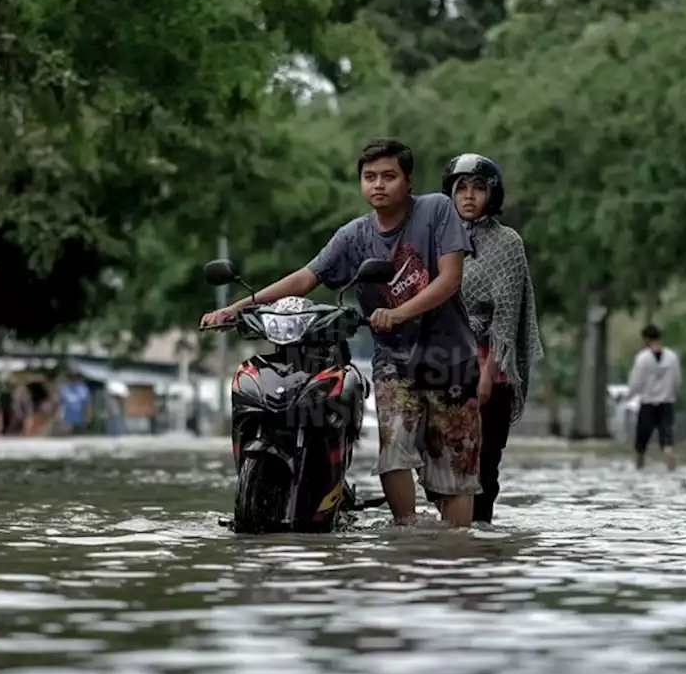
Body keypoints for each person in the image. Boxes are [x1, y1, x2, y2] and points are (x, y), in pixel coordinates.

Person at [199, 139, 481, 527]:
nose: (378, 185)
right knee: (393, 456)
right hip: (394, 364)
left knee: (454, 471)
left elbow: (450, 279)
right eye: (369, 177)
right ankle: (407, 541)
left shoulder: (436, 211)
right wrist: (238, 307)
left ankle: (456, 552)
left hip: (450, 360)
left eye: (388, 176)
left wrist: (398, 313)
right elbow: (305, 277)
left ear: (409, 180)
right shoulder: (353, 235)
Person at [440, 153, 544, 524]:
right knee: (443, 462)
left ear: (492, 194)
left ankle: (480, 543)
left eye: (478, 188)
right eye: (461, 188)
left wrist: (487, 372)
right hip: (443, 362)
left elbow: (506, 314)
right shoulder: (440, 239)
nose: (468, 196)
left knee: (484, 467)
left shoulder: (508, 243)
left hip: (490, 366)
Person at [627, 324, 682, 471]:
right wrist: (673, 394)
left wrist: (630, 395)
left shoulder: (642, 358)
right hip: (666, 403)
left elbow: (635, 381)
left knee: (641, 445)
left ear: (646, 339)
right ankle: (672, 470)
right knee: (667, 441)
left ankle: (639, 469)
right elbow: (677, 381)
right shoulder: (672, 358)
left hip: (648, 404)